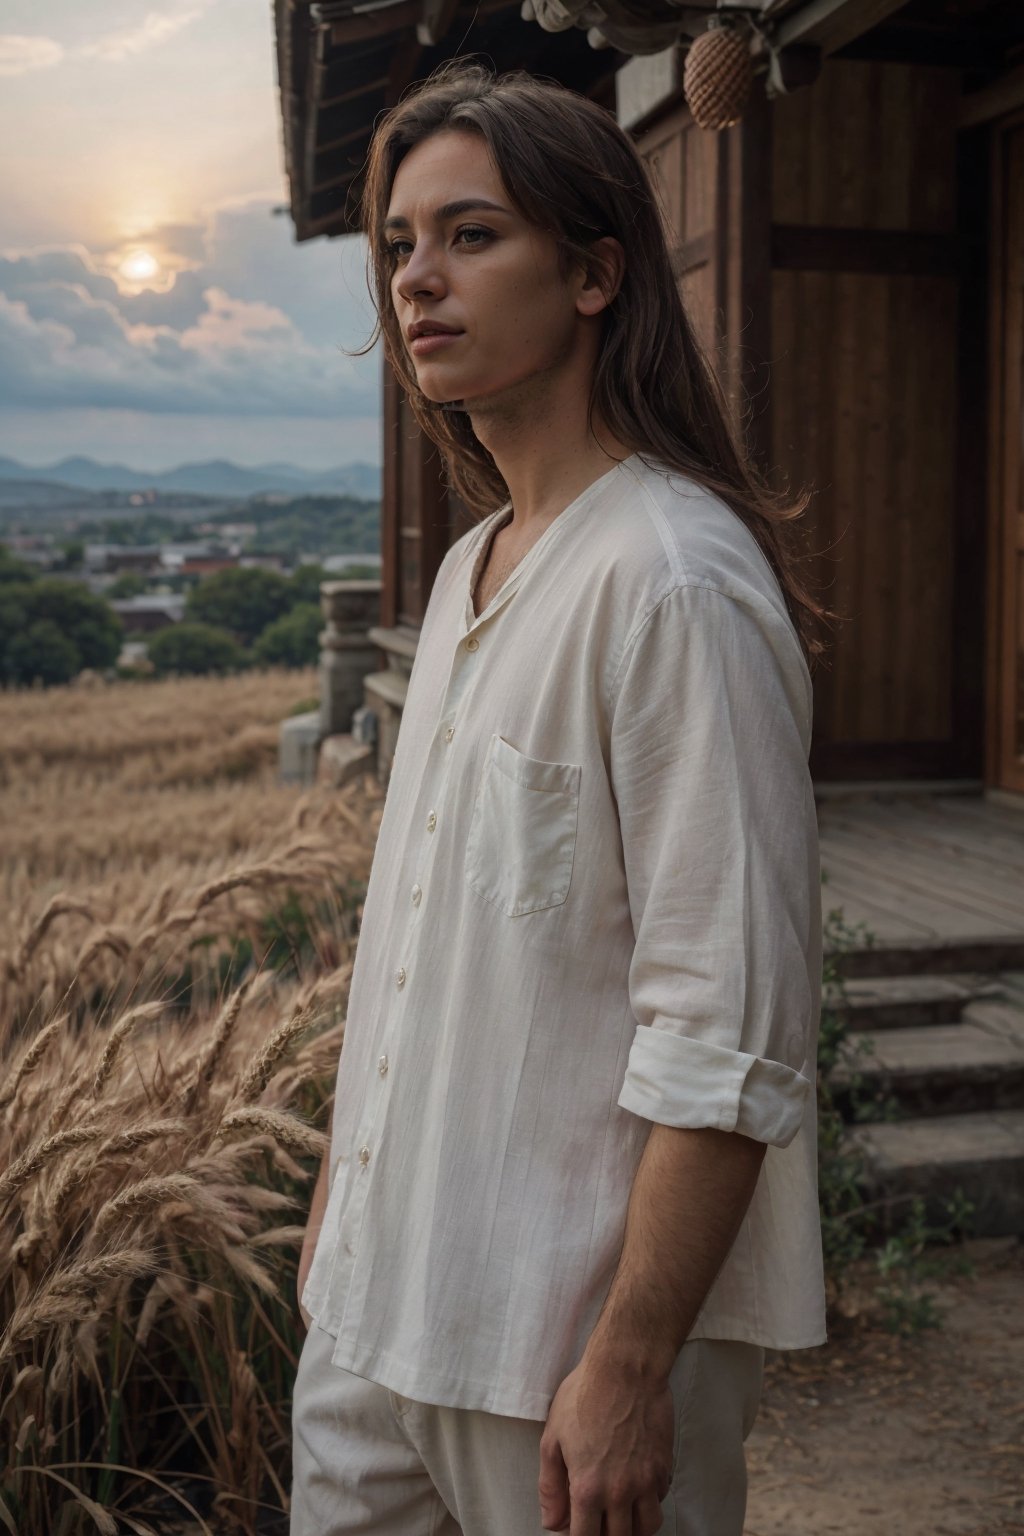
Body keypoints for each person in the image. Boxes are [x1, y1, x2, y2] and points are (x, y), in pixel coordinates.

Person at [291, 58, 829, 1536]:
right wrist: (347, 1200)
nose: (418, 280)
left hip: (556, 1347)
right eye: (400, 244)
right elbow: (419, 941)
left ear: (595, 272)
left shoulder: (672, 581)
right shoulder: (473, 567)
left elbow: (726, 1022)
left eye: (473, 235)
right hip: (373, 1311)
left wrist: (632, 1362)